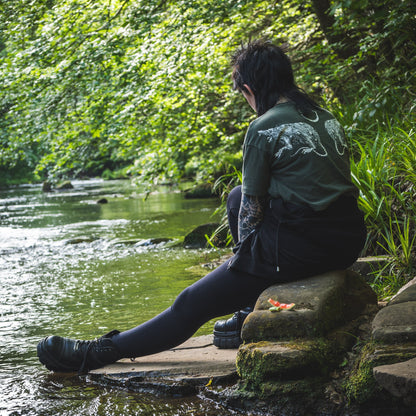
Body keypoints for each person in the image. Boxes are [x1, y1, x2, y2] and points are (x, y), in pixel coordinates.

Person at [37, 39, 366, 373]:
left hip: (302, 248)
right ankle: (245, 311)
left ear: (249, 89)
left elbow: (253, 213)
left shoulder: (263, 127)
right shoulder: (325, 118)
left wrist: (239, 269)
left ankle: (96, 352)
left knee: (192, 302)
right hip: (347, 240)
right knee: (235, 194)